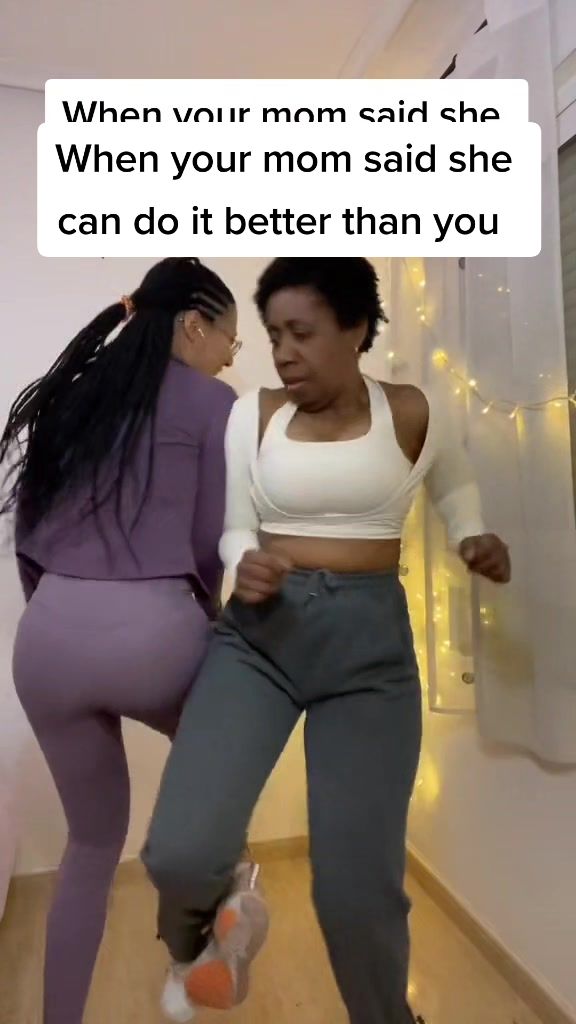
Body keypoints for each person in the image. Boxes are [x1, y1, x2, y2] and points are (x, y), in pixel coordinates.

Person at [142, 257, 511, 1024]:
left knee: (356, 892)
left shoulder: (411, 411)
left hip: (368, 658)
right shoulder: (253, 416)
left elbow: (455, 483)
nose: (282, 352)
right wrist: (244, 563)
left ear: (355, 329)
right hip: (258, 643)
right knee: (179, 853)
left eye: (301, 333)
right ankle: (200, 945)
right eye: (274, 334)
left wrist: (473, 534)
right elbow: (236, 526)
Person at [0, 257, 248, 1024]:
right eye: (231, 339)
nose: (231, 356)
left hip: (47, 642)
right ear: (195, 326)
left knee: (91, 845)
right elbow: (209, 543)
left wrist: (65, 617)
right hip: (155, 635)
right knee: (224, 775)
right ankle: (213, 928)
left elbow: (29, 533)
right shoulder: (215, 403)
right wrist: (203, 623)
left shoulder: (74, 395)